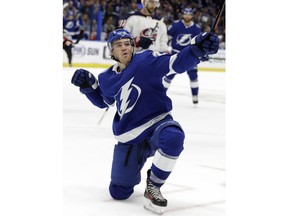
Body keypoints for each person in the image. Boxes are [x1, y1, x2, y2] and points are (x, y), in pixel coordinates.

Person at [71, 29, 219, 214]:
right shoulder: (106, 79)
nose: (124, 48)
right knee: (118, 192)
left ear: (133, 46)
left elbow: (177, 63)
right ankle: (136, 162)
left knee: (173, 137)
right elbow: (103, 102)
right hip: (129, 138)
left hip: (157, 124)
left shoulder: (146, 61)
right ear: (111, 51)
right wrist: (89, 88)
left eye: (127, 44)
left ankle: (154, 185)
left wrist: (196, 50)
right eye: (118, 45)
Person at [162, 7, 208, 104]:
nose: (187, 16)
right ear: (182, 14)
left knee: (193, 76)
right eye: (185, 14)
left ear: (192, 16)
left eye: (189, 14)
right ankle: (160, 95)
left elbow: (199, 43)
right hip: (175, 53)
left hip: (190, 54)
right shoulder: (175, 25)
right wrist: (165, 48)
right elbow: (166, 38)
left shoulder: (196, 28)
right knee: (169, 75)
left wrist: (203, 52)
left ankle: (195, 97)